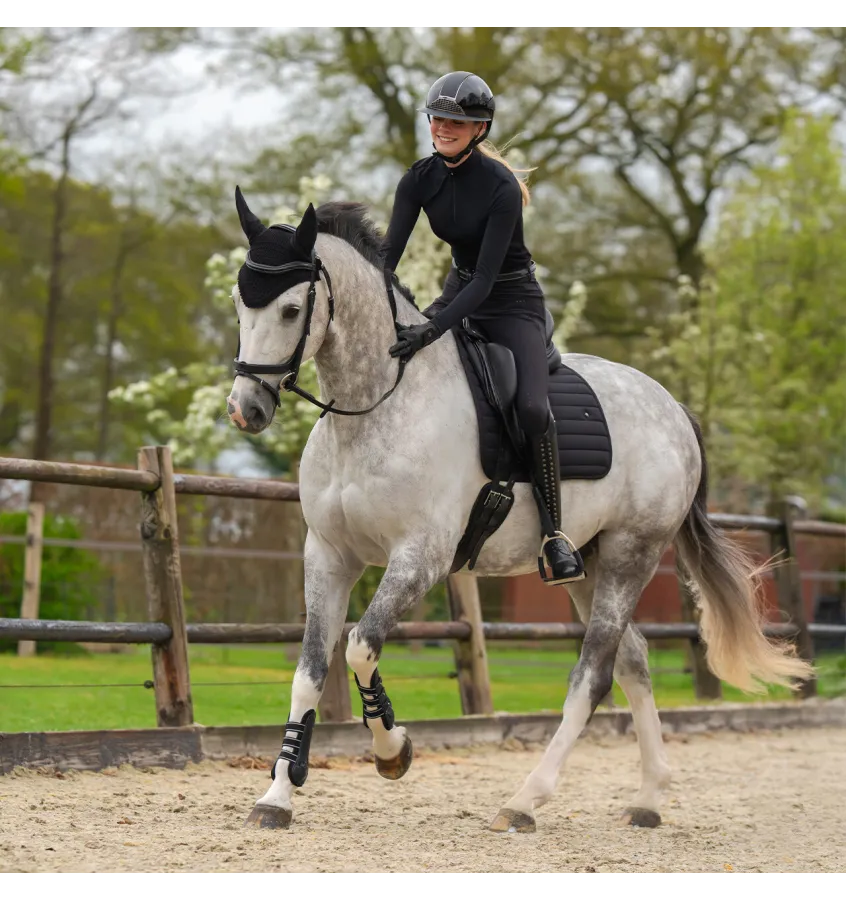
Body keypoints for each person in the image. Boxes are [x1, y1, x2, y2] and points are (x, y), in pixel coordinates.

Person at [381, 71, 583, 585]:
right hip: (458, 289)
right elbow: (387, 259)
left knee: (532, 408)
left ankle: (555, 535)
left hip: (512, 302)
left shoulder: (500, 187)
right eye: (438, 118)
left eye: (457, 122)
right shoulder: (418, 179)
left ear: (480, 129)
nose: (444, 128)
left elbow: (488, 279)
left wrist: (432, 329)